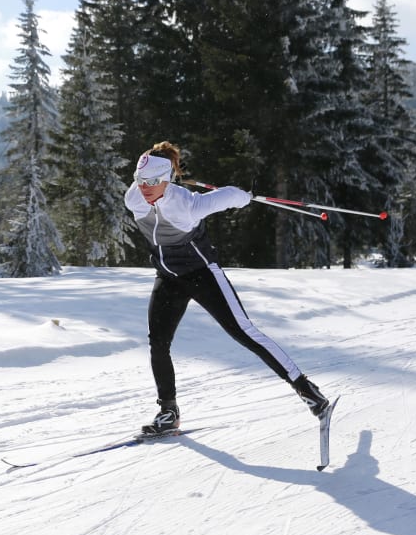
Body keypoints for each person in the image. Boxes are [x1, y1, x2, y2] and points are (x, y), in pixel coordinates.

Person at [124, 141, 330, 434]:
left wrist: (245, 197)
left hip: (202, 275)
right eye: (140, 180)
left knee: (244, 331)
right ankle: (168, 412)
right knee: (158, 342)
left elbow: (229, 195)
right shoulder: (133, 197)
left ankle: (307, 390)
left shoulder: (188, 204)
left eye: (152, 182)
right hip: (168, 277)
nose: (144, 187)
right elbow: (148, 172)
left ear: (166, 179)